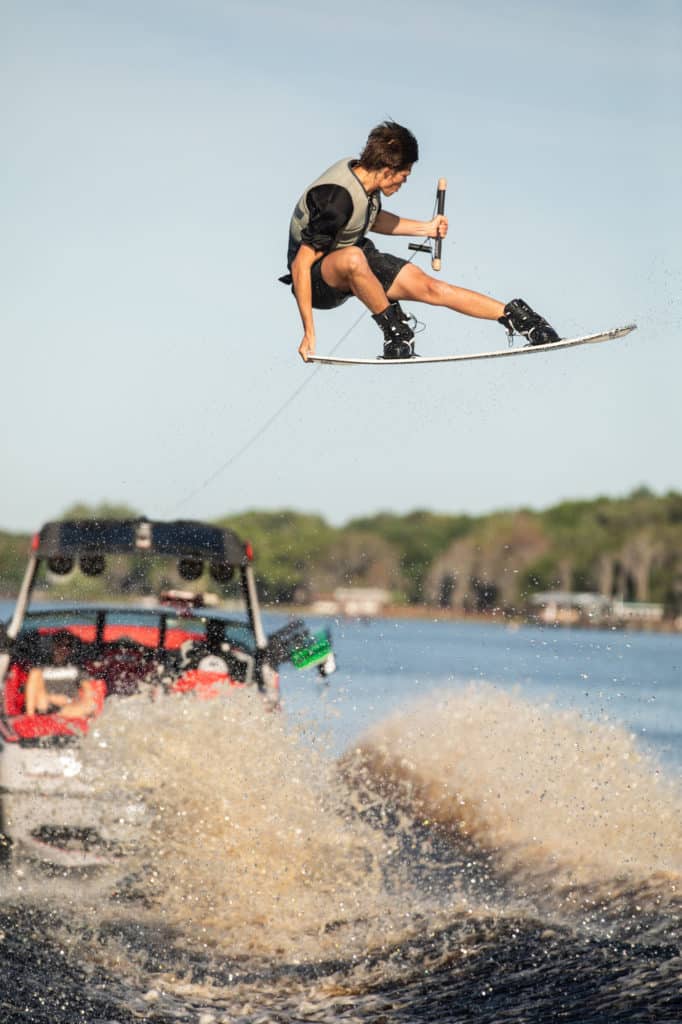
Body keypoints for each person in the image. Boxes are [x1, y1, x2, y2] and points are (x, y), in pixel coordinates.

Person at [281, 121, 560, 361]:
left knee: (430, 286)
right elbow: (300, 266)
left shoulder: (366, 181)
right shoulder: (336, 199)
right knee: (354, 258)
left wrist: (426, 228)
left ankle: (521, 321)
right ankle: (397, 331)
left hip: (353, 257)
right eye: (404, 176)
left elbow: (371, 219)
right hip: (316, 282)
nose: (403, 183)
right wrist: (309, 332)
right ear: (388, 169)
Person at [24, 630, 99, 719]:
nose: (64, 648)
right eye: (60, 645)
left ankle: (59, 716)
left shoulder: (77, 667)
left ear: (71, 649)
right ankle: (30, 718)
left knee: (88, 706)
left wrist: (69, 701)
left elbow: (88, 690)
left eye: (68, 646)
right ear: (53, 646)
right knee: (35, 674)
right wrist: (51, 698)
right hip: (45, 703)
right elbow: (34, 687)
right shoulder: (42, 665)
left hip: (70, 704)